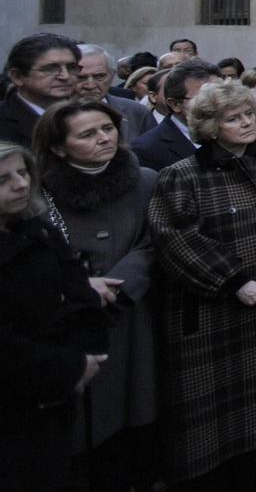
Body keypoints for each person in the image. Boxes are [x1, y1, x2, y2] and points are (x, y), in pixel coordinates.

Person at [146, 79, 256, 491]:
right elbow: (176, 239)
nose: (245, 123)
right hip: (217, 315)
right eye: (232, 119)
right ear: (210, 127)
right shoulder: (182, 176)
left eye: (247, 114)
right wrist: (235, 281)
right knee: (217, 418)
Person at [34, 99, 159, 492]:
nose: (104, 138)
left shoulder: (145, 180)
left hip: (131, 313)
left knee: (133, 411)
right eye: (87, 134)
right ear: (59, 147)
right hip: (70, 318)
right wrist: (80, 286)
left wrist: (122, 283)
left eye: (107, 128)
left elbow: (154, 240)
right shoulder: (37, 191)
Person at [0, 137, 109, 492]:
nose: (20, 184)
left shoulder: (38, 230)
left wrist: (83, 360)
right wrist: (64, 368)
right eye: (3, 180)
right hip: (17, 398)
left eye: (22, 173)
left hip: (60, 387)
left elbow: (79, 293)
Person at [132, 59, 222, 171]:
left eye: (220, 96)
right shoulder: (146, 149)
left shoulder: (236, 134)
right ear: (175, 104)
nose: (217, 104)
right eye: (203, 99)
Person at [1, 32, 81, 144]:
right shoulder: (3, 120)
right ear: (17, 77)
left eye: (71, 67)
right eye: (50, 68)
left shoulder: (88, 114)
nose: (65, 76)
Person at [76, 43, 153, 141]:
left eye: (99, 76)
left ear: (112, 76)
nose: (90, 85)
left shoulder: (136, 111)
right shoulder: (58, 111)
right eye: (81, 78)